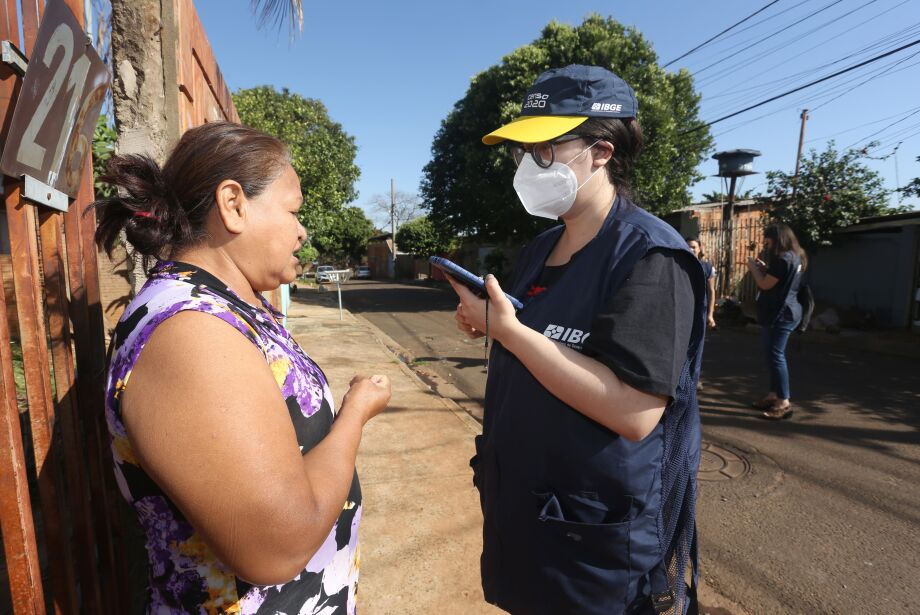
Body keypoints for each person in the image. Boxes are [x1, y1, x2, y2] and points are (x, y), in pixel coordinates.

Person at [93, 121, 391, 613]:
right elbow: (276, 546)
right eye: (292, 211)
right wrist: (355, 413)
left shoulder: (228, 304)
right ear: (233, 204)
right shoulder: (192, 332)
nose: (302, 231)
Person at [449, 65, 706, 614]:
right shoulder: (541, 248)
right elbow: (538, 343)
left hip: (595, 544)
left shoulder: (650, 258)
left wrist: (510, 334)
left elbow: (635, 411)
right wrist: (490, 325)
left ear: (602, 151)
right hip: (527, 516)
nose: (529, 164)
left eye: (545, 148)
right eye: (524, 151)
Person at [746, 223, 807, 420]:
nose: (766, 244)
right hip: (785, 311)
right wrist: (766, 268)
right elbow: (779, 279)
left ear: (778, 239)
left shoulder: (783, 259)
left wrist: (753, 268)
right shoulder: (795, 256)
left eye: (768, 240)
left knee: (776, 355)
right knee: (771, 354)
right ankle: (774, 394)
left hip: (780, 314)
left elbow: (764, 284)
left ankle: (783, 401)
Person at [686, 237, 717, 330]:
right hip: (684, 308)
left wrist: (710, 315)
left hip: (700, 310)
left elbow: (711, 291)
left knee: (697, 340)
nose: (691, 250)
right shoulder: (679, 267)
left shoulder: (707, 268)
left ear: (699, 249)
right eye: (688, 247)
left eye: (693, 247)